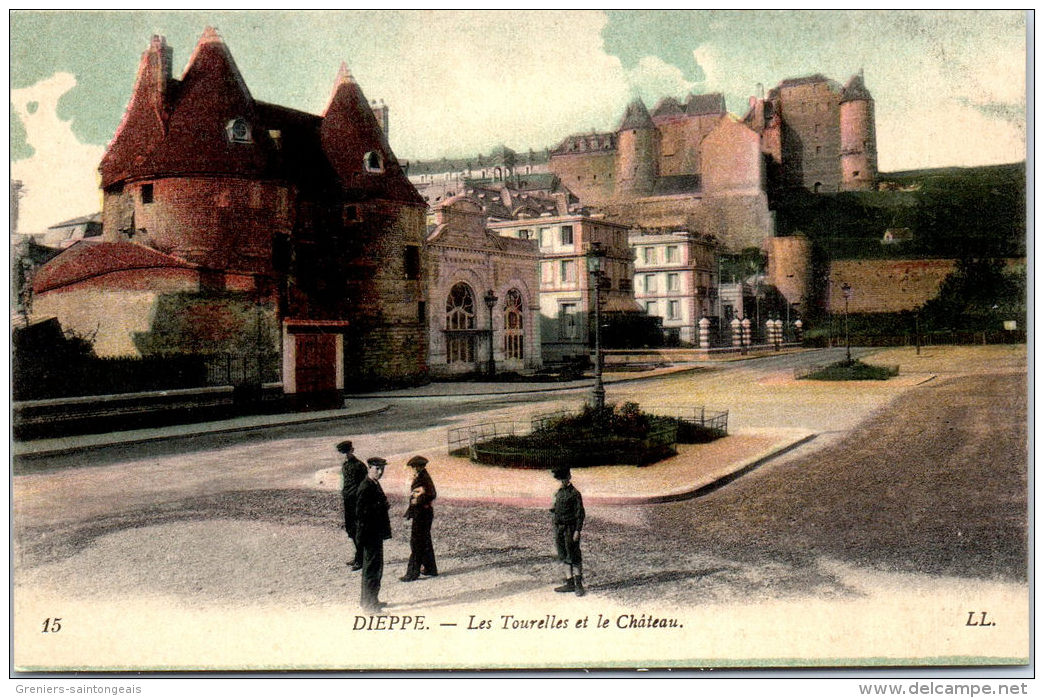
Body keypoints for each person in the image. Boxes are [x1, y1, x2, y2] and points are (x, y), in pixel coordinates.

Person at [356, 456, 392, 612]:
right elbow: (361, 514)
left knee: (376, 568)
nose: (380, 471)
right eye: (376, 468)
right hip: (370, 534)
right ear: (369, 468)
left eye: (382, 468)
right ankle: (369, 606)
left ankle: (371, 600)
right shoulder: (366, 487)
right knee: (371, 569)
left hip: (375, 533)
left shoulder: (374, 484)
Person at [401, 455, 438, 582]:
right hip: (423, 513)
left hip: (422, 513)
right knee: (425, 541)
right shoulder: (422, 476)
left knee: (416, 542)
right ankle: (430, 568)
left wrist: (418, 500)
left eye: (414, 467)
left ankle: (412, 573)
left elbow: (432, 494)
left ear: (419, 467)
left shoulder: (423, 478)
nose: (413, 469)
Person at [550, 467, 586, 597]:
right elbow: (553, 509)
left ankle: (579, 585)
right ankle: (569, 583)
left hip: (571, 528)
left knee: (574, 556)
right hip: (560, 528)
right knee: (564, 555)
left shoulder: (575, 493)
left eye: (565, 478)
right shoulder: (558, 492)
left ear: (569, 477)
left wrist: (577, 530)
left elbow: (580, 514)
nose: (563, 481)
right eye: (561, 479)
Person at [338, 440, 368, 571]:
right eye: (343, 453)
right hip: (348, 501)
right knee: (350, 529)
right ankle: (358, 555)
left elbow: (364, 485)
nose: (345, 455)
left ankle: (361, 559)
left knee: (358, 530)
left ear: (352, 450)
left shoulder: (360, 466)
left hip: (357, 501)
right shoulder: (345, 465)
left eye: (347, 452)